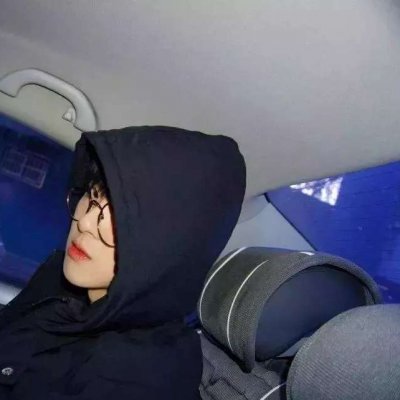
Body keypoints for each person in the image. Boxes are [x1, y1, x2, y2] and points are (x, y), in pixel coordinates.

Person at [0, 126, 246, 399]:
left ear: (171, 247)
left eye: (120, 213)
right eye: (92, 194)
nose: (85, 222)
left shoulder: (137, 379)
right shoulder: (62, 283)